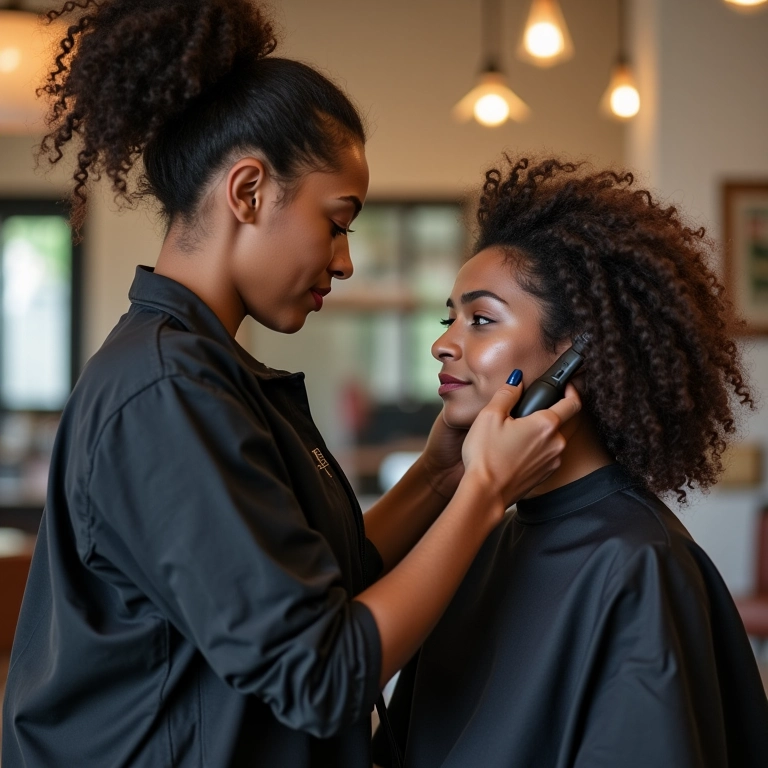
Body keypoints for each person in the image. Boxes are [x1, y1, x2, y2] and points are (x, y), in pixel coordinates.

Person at [0, 4, 582, 768]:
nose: (344, 262)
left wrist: (443, 473)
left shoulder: (214, 375)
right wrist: (483, 494)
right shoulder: (166, 393)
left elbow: (322, 584)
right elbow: (322, 671)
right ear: (247, 192)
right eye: (337, 222)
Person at [372, 156, 768, 768]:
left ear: (578, 351)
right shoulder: (478, 535)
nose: (443, 343)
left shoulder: (638, 563)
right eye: (450, 318)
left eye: (480, 319)